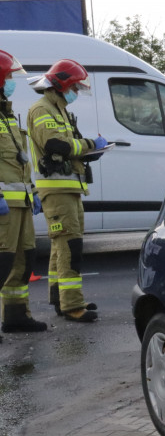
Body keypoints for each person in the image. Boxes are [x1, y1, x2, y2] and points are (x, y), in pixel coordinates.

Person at [27, 59, 106, 323]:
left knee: (61, 247)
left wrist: (90, 152)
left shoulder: (58, 110)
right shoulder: (42, 109)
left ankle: (60, 300)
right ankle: (72, 305)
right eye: (75, 88)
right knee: (70, 246)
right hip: (57, 190)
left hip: (69, 188)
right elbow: (55, 145)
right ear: (63, 85)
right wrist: (90, 143)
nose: (76, 93)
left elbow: (69, 147)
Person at [0, 49, 46, 336]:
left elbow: (20, 162)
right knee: (2, 262)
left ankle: (16, 317)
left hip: (22, 204)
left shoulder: (7, 115)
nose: (12, 83)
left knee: (22, 260)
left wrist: (34, 192)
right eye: (8, 78)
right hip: (4, 206)